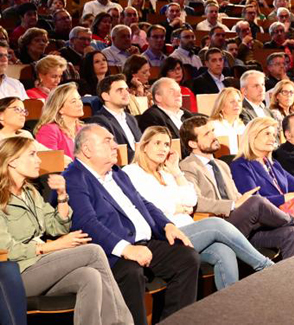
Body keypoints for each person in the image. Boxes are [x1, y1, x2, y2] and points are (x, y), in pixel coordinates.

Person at [64, 124, 200, 325]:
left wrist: (167, 225)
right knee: (131, 271)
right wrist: (126, 249)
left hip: (143, 243)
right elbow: (86, 223)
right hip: (110, 251)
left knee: (187, 258)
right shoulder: (73, 177)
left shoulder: (116, 172)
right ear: (87, 150)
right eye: (107, 141)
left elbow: (142, 202)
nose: (115, 145)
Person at [0, 136, 133, 325]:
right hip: (19, 273)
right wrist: (54, 246)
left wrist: (62, 195)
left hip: (42, 264)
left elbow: (57, 227)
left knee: (90, 276)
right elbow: (7, 251)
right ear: (12, 161)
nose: (39, 160)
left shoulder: (31, 192)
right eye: (32, 155)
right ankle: (122, 323)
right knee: (93, 251)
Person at [122, 126, 273, 290]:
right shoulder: (132, 172)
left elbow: (191, 200)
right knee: (216, 224)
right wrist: (178, 207)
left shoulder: (167, 173)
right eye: (157, 143)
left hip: (190, 229)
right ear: (144, 146)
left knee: (224, 251)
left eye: (166, 144)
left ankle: (231, 306)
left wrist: (176, 172)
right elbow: (151, 207)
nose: (163, 148)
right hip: (166, 235)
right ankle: (264, 265)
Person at [178, 117, 294, 260]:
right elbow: (196, 201)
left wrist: (241, 201)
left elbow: (236, 197)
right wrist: (232, 205)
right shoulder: (188, 166)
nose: (214, 136)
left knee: (290, 232)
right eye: (207, 134)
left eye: (213, 131)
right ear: (192, 143)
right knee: (257, 201)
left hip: (241, 226)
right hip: (219, 226)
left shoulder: (222, 165)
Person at [88, 75, 142, 158]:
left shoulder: (131, 118)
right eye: (120, 90)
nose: (126, 93)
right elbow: (113, 150)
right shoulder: (99, 121)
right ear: (106, 96)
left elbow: (141, 144)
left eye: (126, 89)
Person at [34, 84, 85, 159]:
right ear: (60, 109)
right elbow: (50, 162)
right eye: (73, 101)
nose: (80, 104)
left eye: (79, 99)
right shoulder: (49, 130)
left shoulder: (83, 129)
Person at [208, 88, 247, 156]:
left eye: (239, 101)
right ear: (221, 106)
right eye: (232, 102)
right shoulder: (213, 126)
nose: (237, 104)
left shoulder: (241, 126)